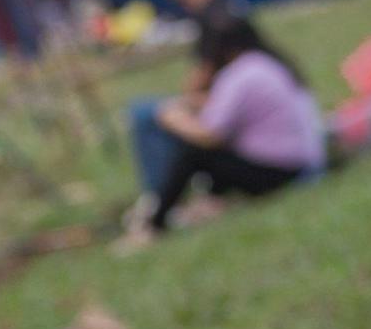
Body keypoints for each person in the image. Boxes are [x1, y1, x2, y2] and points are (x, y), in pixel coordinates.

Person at [125, 14, 328, 241]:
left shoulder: (240, 75)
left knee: (192, 154)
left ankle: (155, 223)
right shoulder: (265, 64)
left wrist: (172, 119)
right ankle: (191, 204)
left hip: (283, 172)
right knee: (216, 154)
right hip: (306, 164)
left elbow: (210, 135)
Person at [123, 0, 243, 223]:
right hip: (224, 102)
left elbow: (208, 81)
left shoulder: (218, 17)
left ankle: (160, 199)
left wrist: (184, 105)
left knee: (144, 115)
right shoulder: (214, 9)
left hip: (233, 110)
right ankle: (165, 195)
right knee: (158, 111)